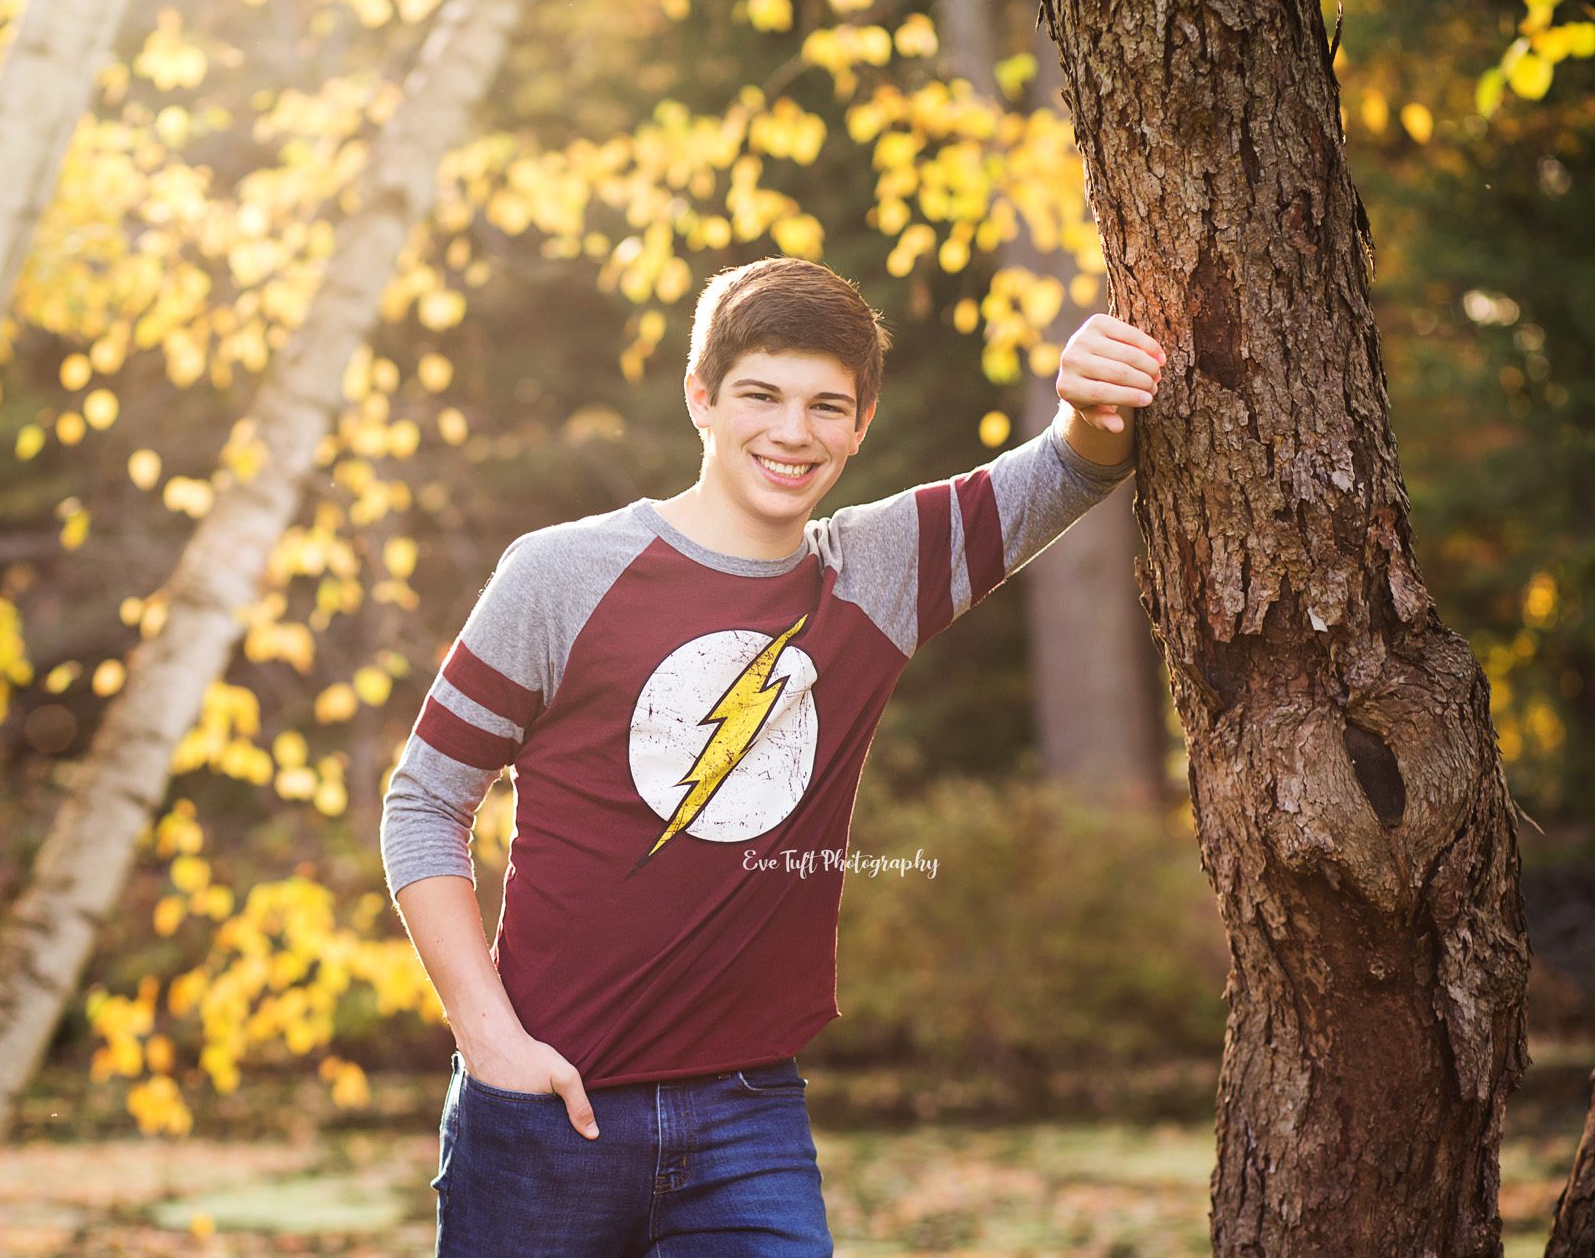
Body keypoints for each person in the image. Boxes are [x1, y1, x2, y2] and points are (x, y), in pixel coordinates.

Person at [380, 256, 1165, 1255]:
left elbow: (1071, 466)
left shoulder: (873, 576)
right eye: (761, 395)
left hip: (745, 1122)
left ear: (860, 423)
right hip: (542, 1110)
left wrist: (1097, 396)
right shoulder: (560, 574)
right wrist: (489, 1041)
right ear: (700, 398)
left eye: (825, 406)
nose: (793, 432)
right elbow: (423, 803)